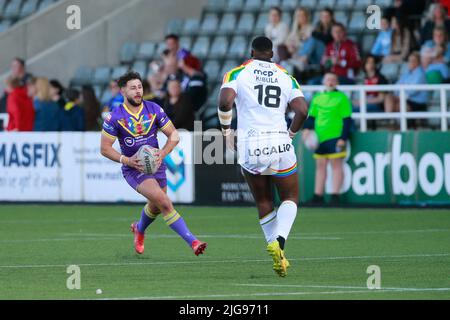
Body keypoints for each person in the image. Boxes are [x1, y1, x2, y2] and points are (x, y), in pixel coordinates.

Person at [218, 37, 309, 277]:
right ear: (271, 54)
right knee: (290, 196)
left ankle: (273, 244)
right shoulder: (285, 75)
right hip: (280, 141)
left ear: (251, 52)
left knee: (263, 200)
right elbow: (302, 110)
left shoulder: (237, 73)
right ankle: (279, 241)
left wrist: (227, 132)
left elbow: (225, 102)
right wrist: (290, 134)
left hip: (251, 145)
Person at [100, 71, 207, 256]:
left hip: (156, 165)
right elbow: (105, 148)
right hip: (134, 169)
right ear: (123, 91)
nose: (138, 91)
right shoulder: (114, 117)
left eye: (140, 87)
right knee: (164, 202)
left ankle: (139, 229)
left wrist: (162, 153)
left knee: (156, 206)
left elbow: (174, 135)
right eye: (133, 88)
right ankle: (193, 241)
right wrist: (127, 160)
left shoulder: (154, 109)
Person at [303, 73, 352, 206]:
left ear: (337, 83)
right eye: (328, 79)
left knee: (336, 165)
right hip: (319, 138)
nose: (330, 82)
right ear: (324, 82)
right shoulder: (317, 98)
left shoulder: (342, 98)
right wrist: (306, 130)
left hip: (336, 137)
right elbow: (312, 117)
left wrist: (343, 138)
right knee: (320, 166)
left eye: (333, 80)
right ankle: (318, 195)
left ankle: (335, 196)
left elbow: (347, 120)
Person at [384, 52, 428, 127]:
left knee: (398, 105)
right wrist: (400, 94)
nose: (410, 63)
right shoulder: (406, 73)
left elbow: (413, 91)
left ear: (418, 62)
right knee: (388, 97)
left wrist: (401, 93)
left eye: (413, 60)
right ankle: (390, 121)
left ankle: (396, 125)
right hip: (404, 98)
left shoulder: (420, 74)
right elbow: (397, 86)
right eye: (409, 60)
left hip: (416, 102)